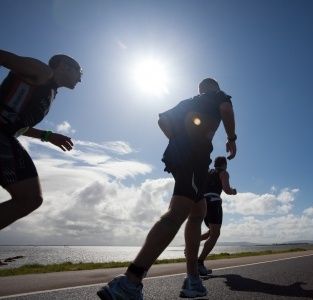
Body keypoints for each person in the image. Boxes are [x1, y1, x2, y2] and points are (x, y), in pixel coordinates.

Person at [97, 78, 237, 300]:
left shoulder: (187, 102)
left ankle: (193, 279)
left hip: (184, 156)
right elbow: (226, 109)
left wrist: (177, 140)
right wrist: (231, 138)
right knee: (178, 212)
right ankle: (129, 282)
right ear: (213, 87)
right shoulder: (217, 95)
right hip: (194, 155)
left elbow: (162, 120)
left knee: (198, 211)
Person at [0, 50, 81, 231]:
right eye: (79, 72)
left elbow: (17, 123)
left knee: (30, 199)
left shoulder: (49, 90)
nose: (80, 79)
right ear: (65, 66)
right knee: (29, 198)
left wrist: (48, 136)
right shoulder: (43, 72)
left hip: (6, 135)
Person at [197, 156, 237, 276]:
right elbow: (226, 189)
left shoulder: (208, 172)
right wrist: (233, 191)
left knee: (211, 232)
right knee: (215, 234)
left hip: (202, 202)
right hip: (214, 202)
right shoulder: (223, 172)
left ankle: (193, 240)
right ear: (224, 164)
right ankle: (199, 262)